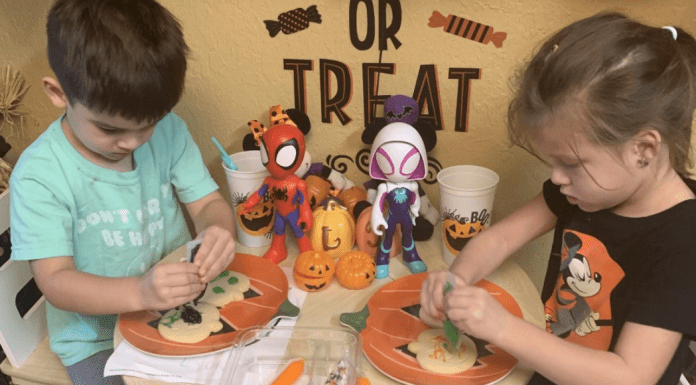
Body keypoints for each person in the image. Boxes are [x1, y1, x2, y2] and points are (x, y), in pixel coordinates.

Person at [420, 12, 696, 385]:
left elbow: (630, 376)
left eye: (570, 163)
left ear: (643, 149)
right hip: (550, 366)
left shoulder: (684, 241)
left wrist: (503, 328)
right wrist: (456, 279)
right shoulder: (584, 191)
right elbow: (500, 239)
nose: (556, 177)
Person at [9, 1, 237, 384]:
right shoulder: (40, 176)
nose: (132, 142)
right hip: (94, 341)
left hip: (172, 312)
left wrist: (218, 231)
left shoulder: (170, 131)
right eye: (110, 130)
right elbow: (56, 282)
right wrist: (140, 293)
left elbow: (209, 205)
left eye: (148, 125)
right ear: (59, 93)